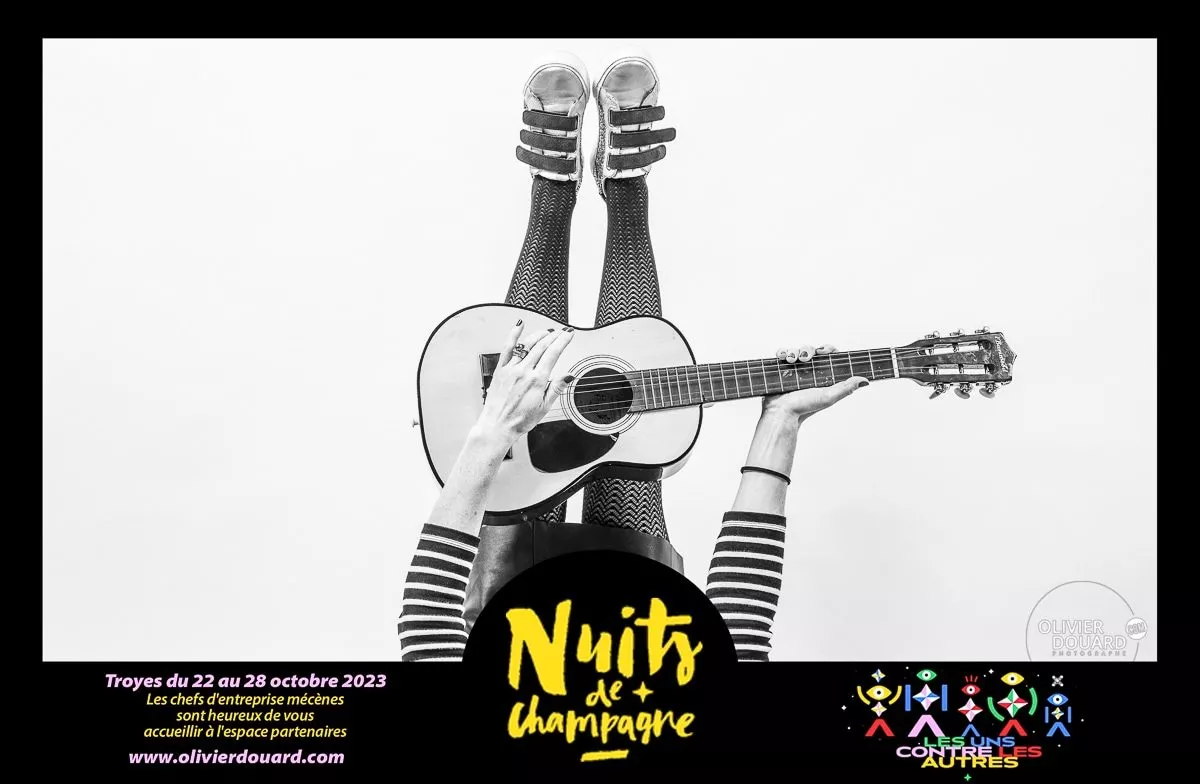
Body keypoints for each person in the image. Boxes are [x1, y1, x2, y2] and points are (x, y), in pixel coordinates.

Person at [398, 50, 869, 663]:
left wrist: (492, 435)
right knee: (622, 414)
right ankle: (625, 188)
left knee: (538, 377)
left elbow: (427, 625)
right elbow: (741, 619)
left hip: (507, 605)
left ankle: (552, 194)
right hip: (646, 613)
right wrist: (782, 418)